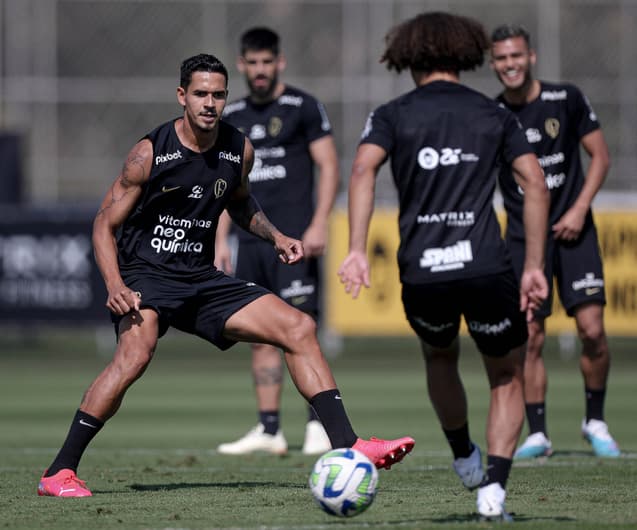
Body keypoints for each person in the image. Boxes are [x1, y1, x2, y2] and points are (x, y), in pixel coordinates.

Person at [36, 53, 414, 498]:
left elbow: (240, 202)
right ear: (182, 96)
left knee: (299, 326)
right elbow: (104, 224)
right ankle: (59, 472)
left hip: (200, 278)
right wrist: (116, 285)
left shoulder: (238, 148)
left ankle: (349, 446)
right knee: (135, 355)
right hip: (147, 275)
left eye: (218, 94)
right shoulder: (149, 153)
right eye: (200, 94)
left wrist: (275, 236)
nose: (209, 103)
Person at [337, 12, 549, 520]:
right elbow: (536, 184)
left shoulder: (392, 113)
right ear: (465, 53)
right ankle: (493, 490)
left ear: (408, 56)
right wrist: (535, 266)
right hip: (485, 267)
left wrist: (357, 248)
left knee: (440, 358)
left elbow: (363, 169)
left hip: (423, 270)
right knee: (505, 375)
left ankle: (463, 455)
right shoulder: (493, 114)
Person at [490, 25, 619, 459]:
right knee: (529, 337)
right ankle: (538, 434)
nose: (509, 65)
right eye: (501, 59)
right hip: (523, 241)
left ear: (531, 57)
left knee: (593, 331)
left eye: (516, 56)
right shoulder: (493, 115)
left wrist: (580, 207)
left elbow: (600, 155)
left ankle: (595, 421)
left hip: (575, 234)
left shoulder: (566, 99)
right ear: (493, 64)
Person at [214, 27, 338, 456]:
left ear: (279, 62)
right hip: (252, 242)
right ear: (243, 64)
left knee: (300, 330)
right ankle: (269, 430)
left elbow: (328, 166)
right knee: (261, 333)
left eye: (268, 62)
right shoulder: (232, 117)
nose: (261, 70)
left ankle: (318, 426)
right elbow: (222, 186)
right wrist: (220, 239)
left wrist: (321, 223)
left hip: (296, 241)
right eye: (253, 63)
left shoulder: (303, 107)